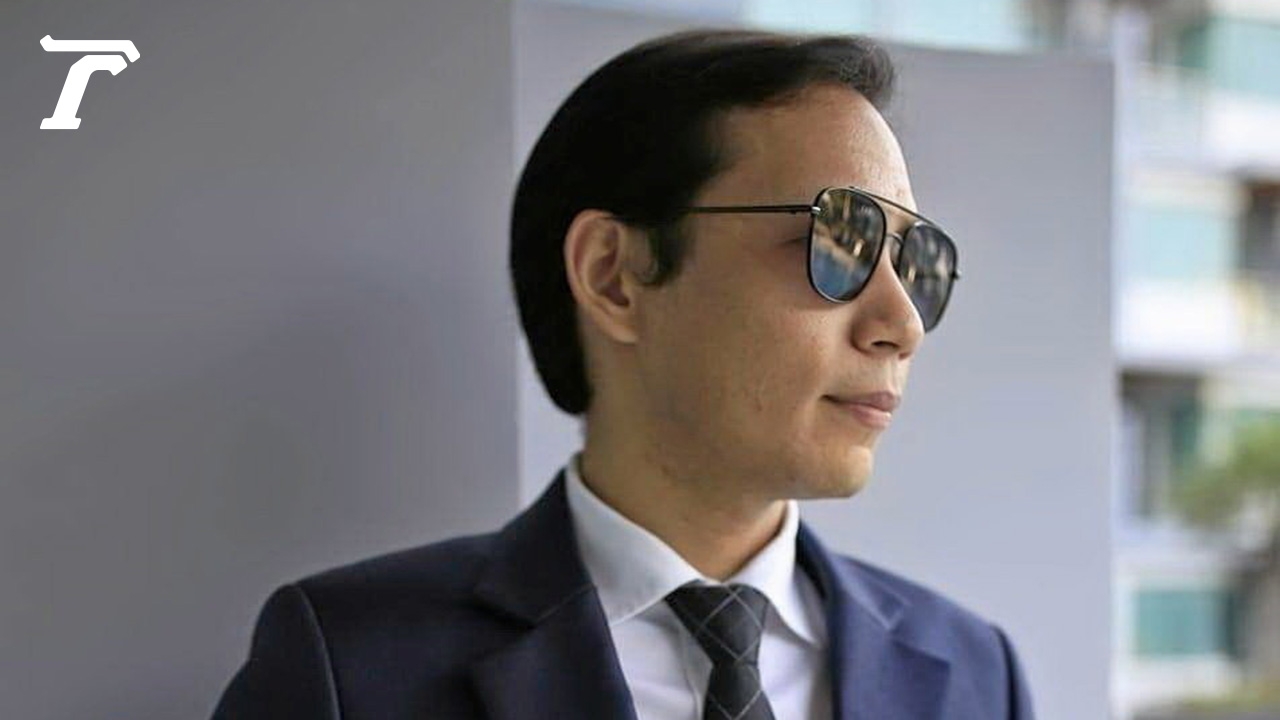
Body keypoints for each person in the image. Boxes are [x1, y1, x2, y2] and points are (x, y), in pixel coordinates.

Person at [210, 28, 1036, 720]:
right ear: (614, 276)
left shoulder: (974, 677)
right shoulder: (354, 671)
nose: (902, 324)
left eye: (917, 261)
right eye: (840, 241)